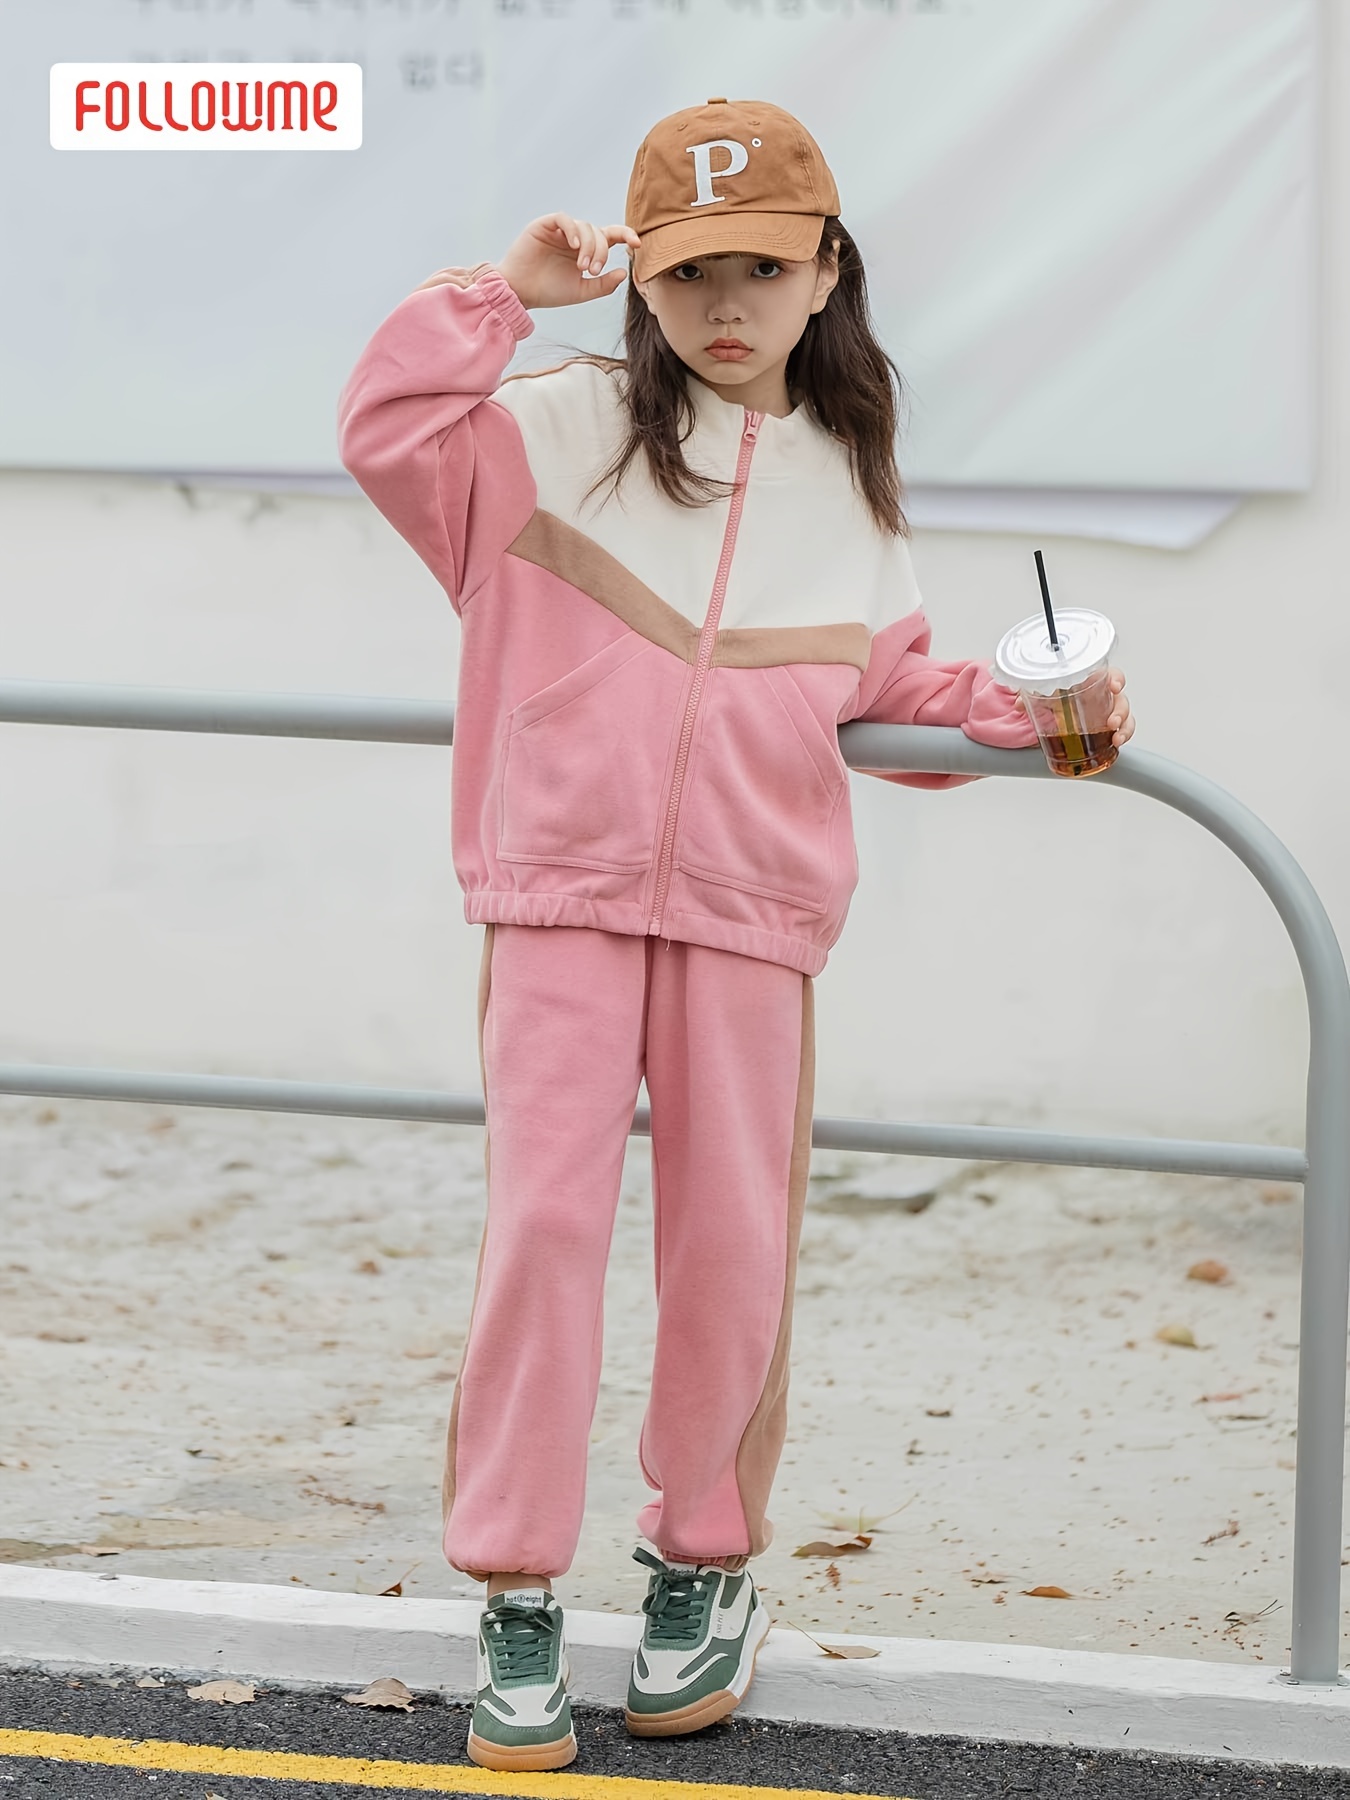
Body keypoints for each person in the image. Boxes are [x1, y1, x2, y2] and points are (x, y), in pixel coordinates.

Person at [337, 96, 1133, 1773]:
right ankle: (516, 1593)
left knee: (730, 1245)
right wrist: (503, 291)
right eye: (692, 270)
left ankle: (701, 1563)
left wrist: (1027, 704)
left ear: (825, 271)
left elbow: (885, 686)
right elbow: (386, 423)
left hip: (752, 912)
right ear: (642, 276)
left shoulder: (847, 479)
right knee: (543, 1229)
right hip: (558, 891)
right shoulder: (546, 428)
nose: (725, 303)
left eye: (762, 269)